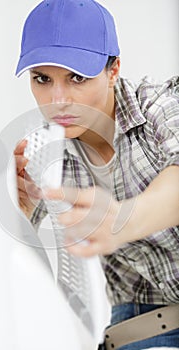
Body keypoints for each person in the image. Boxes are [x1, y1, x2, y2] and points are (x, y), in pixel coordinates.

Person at [14, 0, 179, 349]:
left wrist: (123, 219)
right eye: (42, 79)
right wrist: (24, 211)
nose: (58, 100)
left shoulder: (160, 106)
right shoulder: (44, 158)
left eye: (77, 77)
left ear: (114, 69)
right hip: (142, 320)